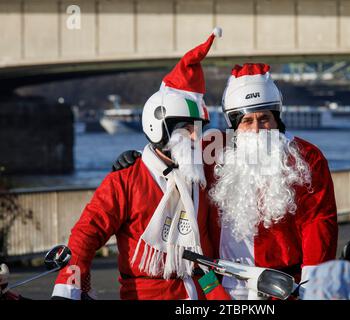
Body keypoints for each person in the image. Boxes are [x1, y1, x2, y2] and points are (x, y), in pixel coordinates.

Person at [113, 63, 338, 300]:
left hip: (283, 287)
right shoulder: (212, 150)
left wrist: (314, 284)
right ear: (234, 123)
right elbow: (173, 155)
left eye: (264, 119)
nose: (257, 129)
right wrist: (140, 159)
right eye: (247, 121)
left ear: (277, 118)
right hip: (222, 288)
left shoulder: (305, 157)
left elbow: (320, 222)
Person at [51, 28, 222, 300]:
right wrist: (68, 288)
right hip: (146, 293)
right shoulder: (125, 180)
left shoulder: (201, 172)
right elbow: (86, 235)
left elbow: (251, 146)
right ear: (159, 128)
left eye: (199, 129)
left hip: (203, 291)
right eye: (187, 128)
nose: (195, 137)